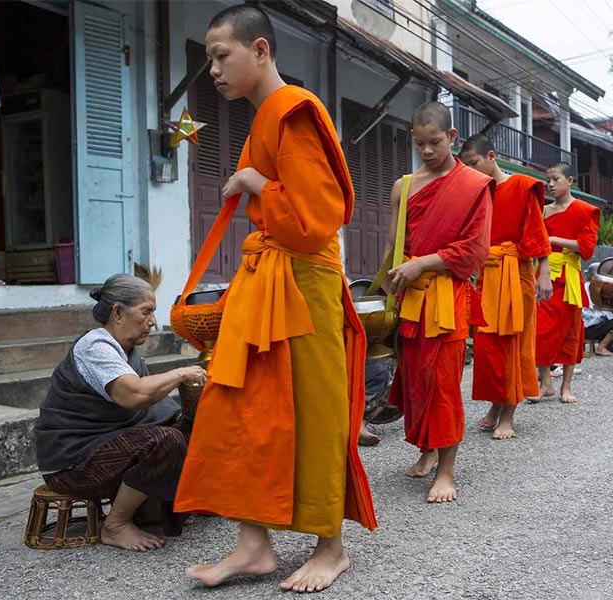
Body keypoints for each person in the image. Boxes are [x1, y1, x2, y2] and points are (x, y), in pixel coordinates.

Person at [173, 7, 376, 593]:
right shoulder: (266, 116)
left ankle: (330, 547)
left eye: (220, 55)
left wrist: (255, 184)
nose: (211, 69)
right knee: (244, 406)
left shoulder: (294, 110)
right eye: (209, 57)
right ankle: (254, 543)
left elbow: (316, 221)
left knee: (313, 410)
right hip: (268, 282)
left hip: (304, 285)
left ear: (259, 50)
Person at [35, 274, 207, 552]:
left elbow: (159, 411)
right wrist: (179, 374)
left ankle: (151, 507)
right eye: (146, 312)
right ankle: (114, 526)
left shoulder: (125, 352)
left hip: (105, 449)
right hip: (71, 463)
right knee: (164, 442)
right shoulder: (95, 347)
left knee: (191, 431)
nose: (152, 321)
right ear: (117, 312)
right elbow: (135, 395)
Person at [385, 101, 492, 503]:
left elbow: (475, 250)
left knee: (443, 382)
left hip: (445, 295)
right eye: (419, 143)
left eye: (435, 143)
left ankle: (446, 471)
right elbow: (395, 246)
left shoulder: (472, 185)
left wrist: (424, 264)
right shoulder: (404, 185)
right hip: (410, 296)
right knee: (415, 379)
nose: (427, 151)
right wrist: (385, 287)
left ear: (451, 138)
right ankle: (427, 449)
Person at [460, 133, 552, 440]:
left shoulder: (521, 186)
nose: (470, 170)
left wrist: (544, 271)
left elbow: (537, 231)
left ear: (491, 156)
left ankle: (508, 414)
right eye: (466, 165)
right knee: (488, 346)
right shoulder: (477, 192)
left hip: (516, 273)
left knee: (514, 343)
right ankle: (494, 407)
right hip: (488, 275)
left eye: (474, 163)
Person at [533, 163, 599, 403]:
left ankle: (566, 386)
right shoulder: (542, 211)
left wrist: (553, 238)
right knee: (540, 330)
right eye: (547, 180)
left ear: (570, 181)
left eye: (555, 179)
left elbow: (587, 248)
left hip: (568, 274)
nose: (550, 184)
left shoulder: (584, 210)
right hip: (543, 274)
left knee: (572, 330)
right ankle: (546, 382)